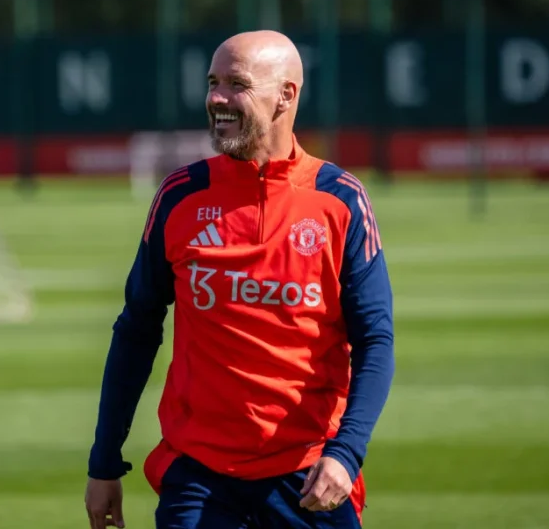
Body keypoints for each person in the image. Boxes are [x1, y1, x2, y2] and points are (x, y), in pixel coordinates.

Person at [84, 30, 395, 529]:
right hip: (200, 480)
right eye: (212, 83)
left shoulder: (340, 200)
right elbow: (137, 329)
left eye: (236, 84)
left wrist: (347, 453)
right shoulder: (180, 196)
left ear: (286, 96)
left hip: (309, 476)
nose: (216, 99)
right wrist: (104, 460)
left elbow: (375, 339)